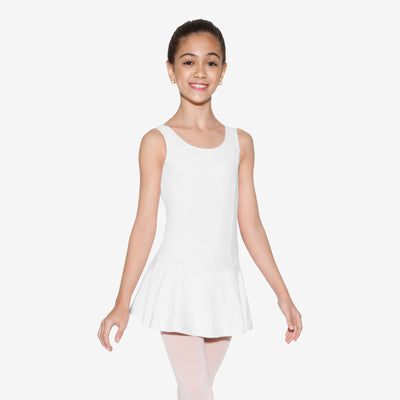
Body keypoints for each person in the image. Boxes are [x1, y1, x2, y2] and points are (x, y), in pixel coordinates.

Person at [98, 18, 302, 399]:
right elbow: (144, 225)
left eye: (210, 62)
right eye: (188, 61)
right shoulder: (157, 141)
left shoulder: (241, 143)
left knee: (193, 391)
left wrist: (283, 294)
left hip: (222, 288)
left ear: (223, 72)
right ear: (170, 70)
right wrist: (121, 302)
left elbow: (251, 224)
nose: (200, 72)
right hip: (177, 286)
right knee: (197, 392)